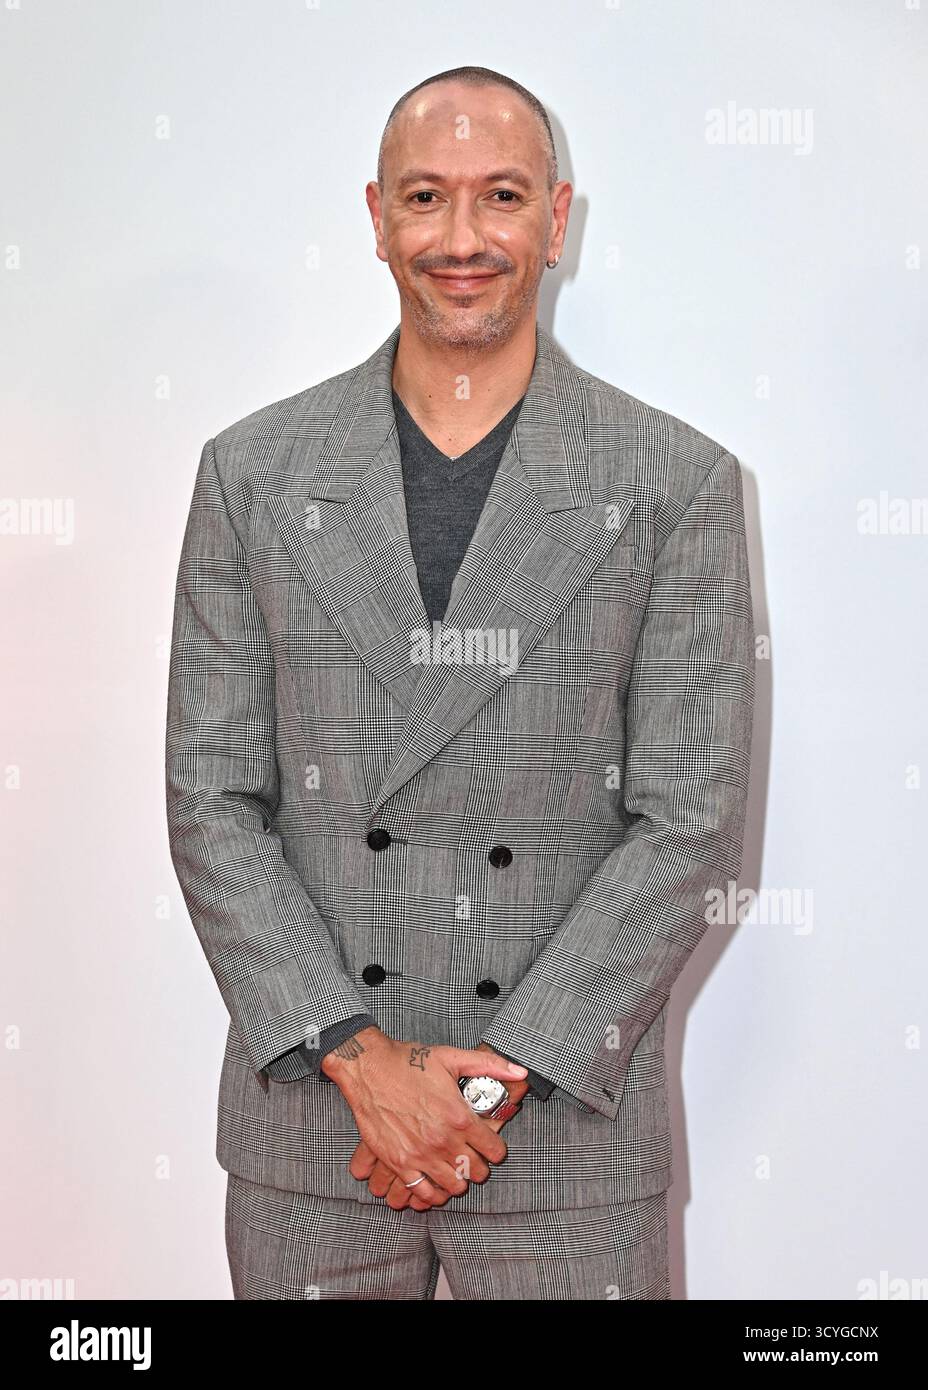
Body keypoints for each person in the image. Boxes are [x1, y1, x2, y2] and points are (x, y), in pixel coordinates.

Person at [165, 65, 755, 1300]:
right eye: (427, 196)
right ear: (376, 216)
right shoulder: (254, 473)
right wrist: (359, 1060)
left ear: (556, 219)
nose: (462, 237)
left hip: (562, 1137)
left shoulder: (673, 481)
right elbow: (212, 800)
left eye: (501, 196)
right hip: (314, 1127)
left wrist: (489, 1079)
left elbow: (687, 821)